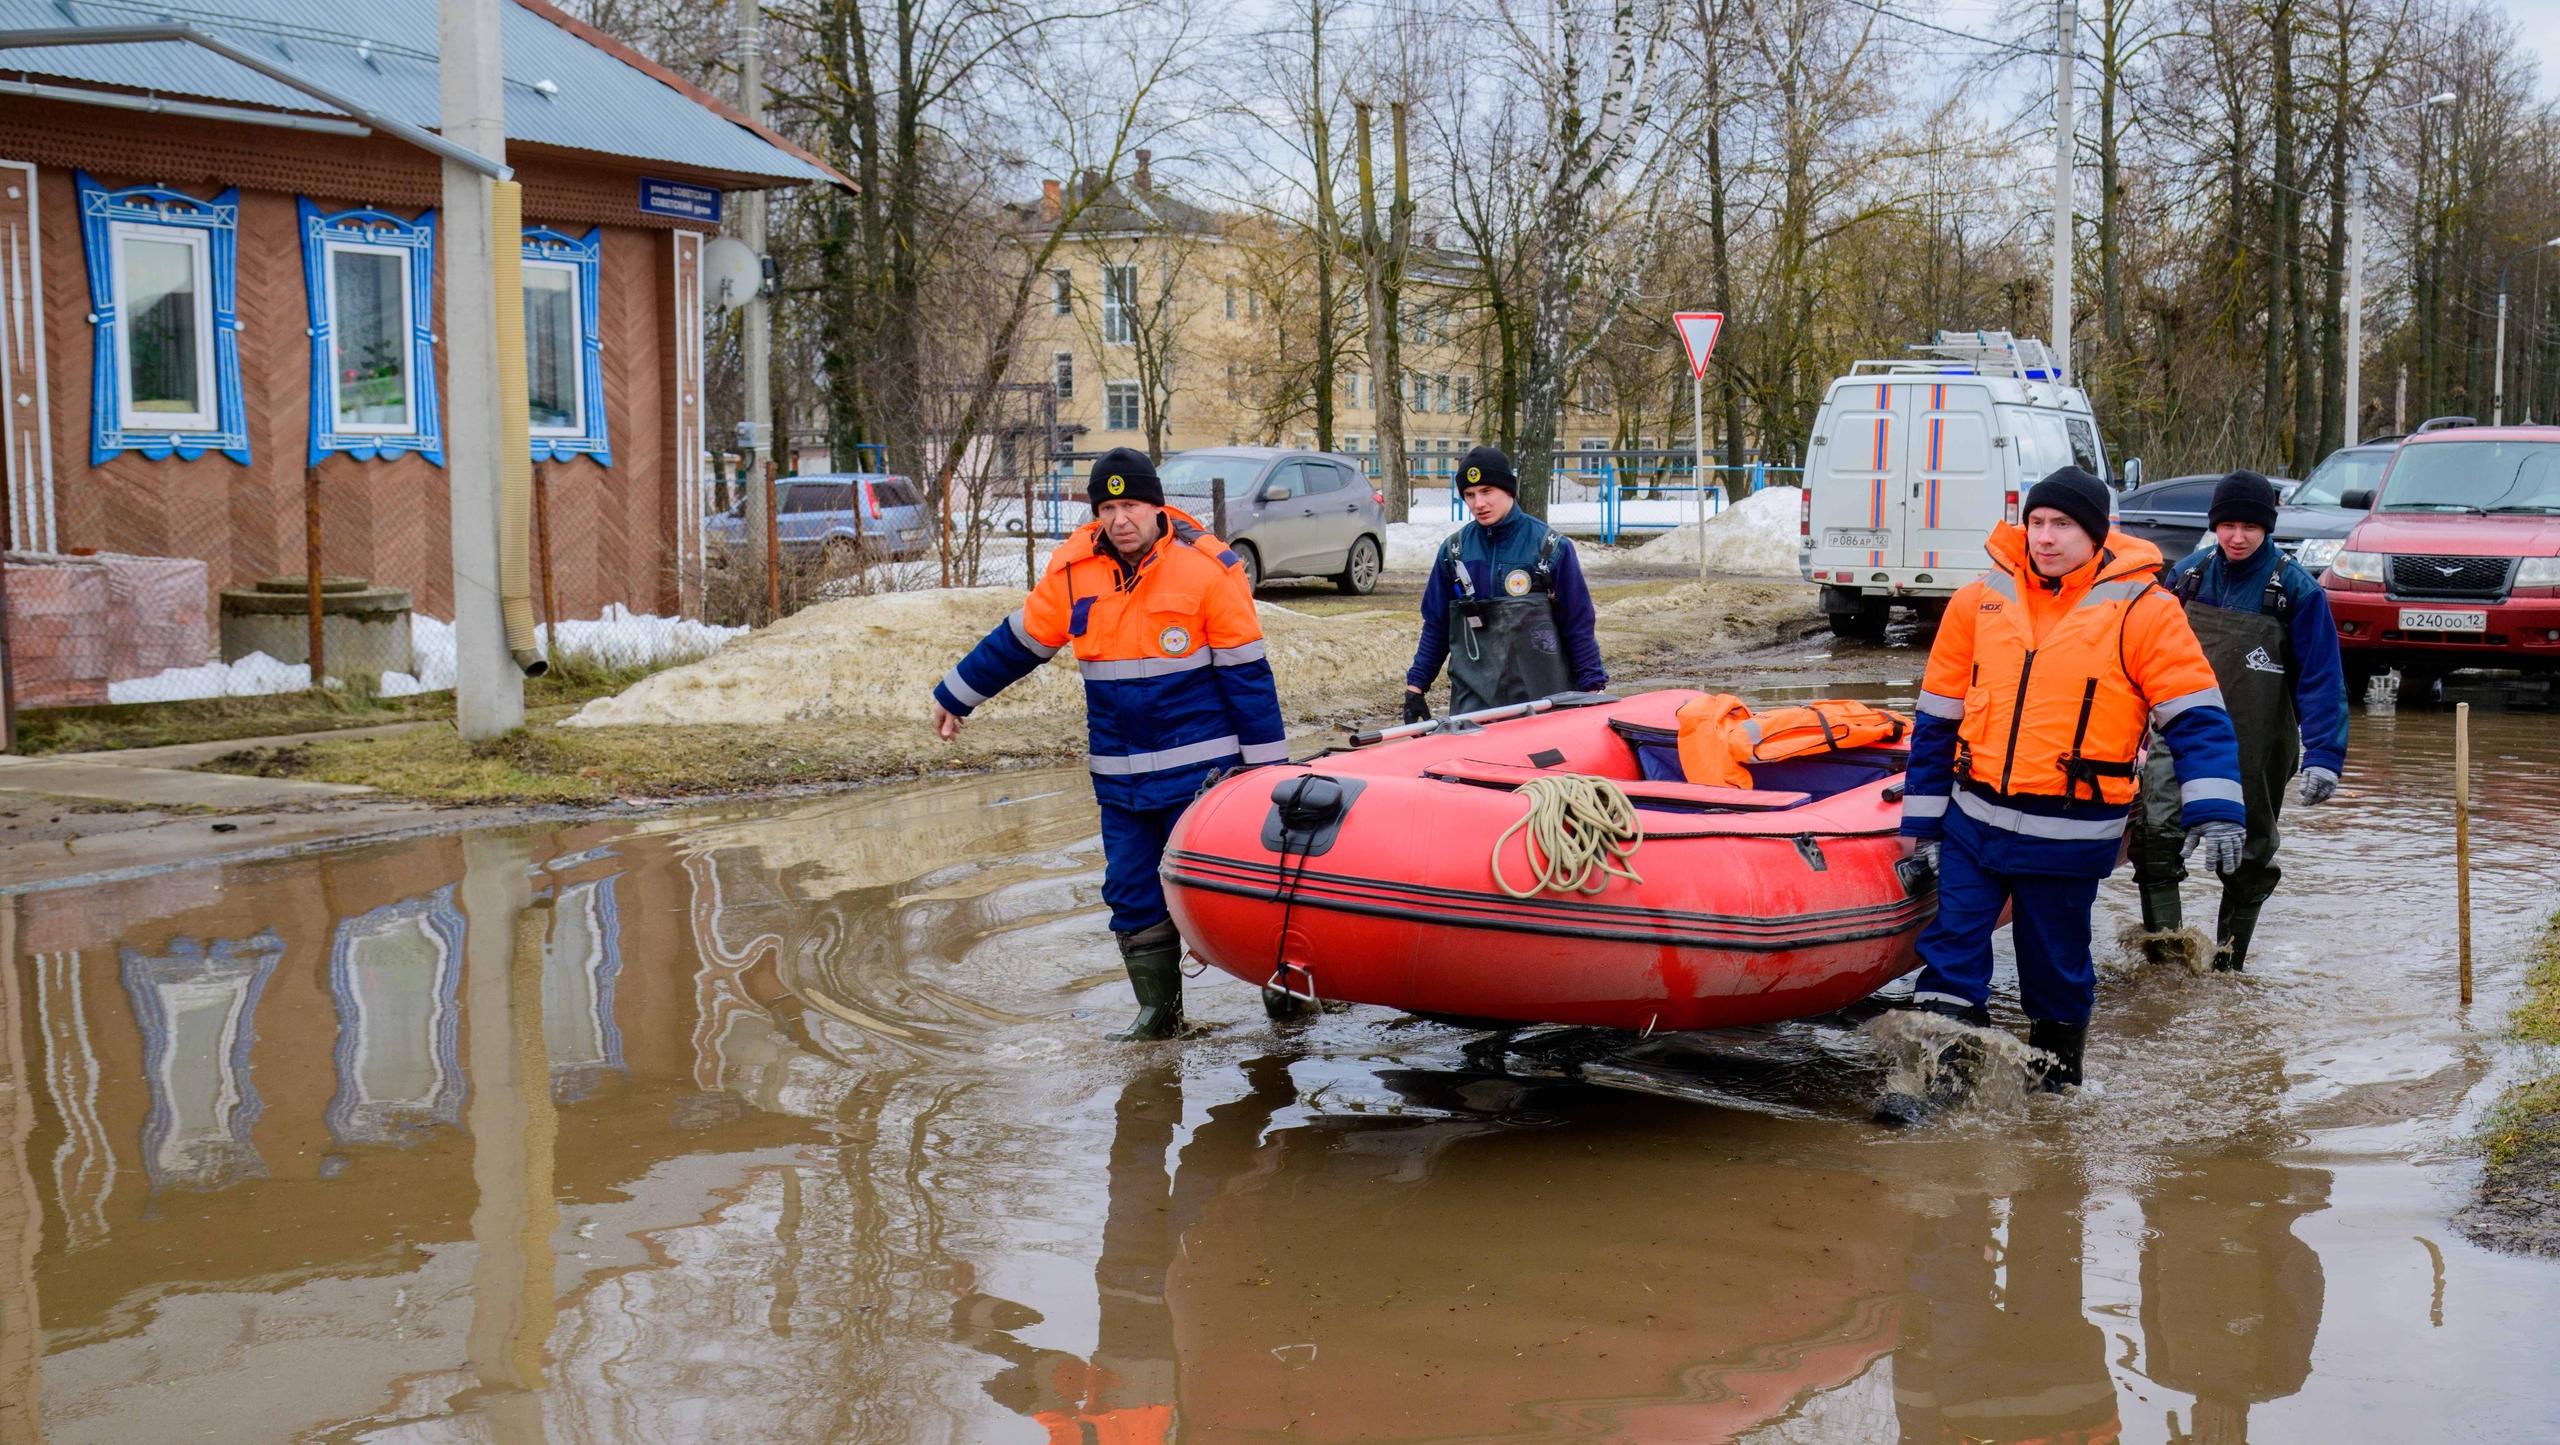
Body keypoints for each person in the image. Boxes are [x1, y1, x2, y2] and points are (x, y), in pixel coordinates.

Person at [1884, 466, 2245, 1121]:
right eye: (2037, 522)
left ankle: (2053, 1093)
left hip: (2070, 831)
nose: (2044, 538)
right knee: (1951, 953)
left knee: (2055, 970)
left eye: (2063, 526)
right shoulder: (1979, 600)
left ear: (2096, 533)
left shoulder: (2144, 609)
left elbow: (2196, 716)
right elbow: (1937, 721)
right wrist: (1922, 824)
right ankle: (1936, 1089)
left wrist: (2217, 808)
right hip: (1974, 824)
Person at [931, 447, 1286, 1040]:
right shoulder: (1074, 572)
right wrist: (957, 694)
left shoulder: (1207, 569)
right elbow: (1019, 643)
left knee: (1239, 891)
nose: (1120, 519)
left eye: (1132, 505)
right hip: (1121, 782)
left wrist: (1269, 776)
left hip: (1205, 779)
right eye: (1108, 507)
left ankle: (1285, 996)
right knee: (1130, 893)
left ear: (1156, 507)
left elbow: (1248, 678)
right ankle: (1160, 1015)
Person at [2128, 470, 2349, 972]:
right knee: (2156, 837)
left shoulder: (2297, 591)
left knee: (2249, 857)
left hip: (2261, 740)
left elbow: (2321, 680)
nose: (2237, 537)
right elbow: (2141, 661)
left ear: (2267, 528)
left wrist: (2325, 755)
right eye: (2227, 525)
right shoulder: (2186, 577)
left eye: (2250, 526)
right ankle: (2166, 966)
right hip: (2177, 735)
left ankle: (2229, 970)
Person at [1403, 445, 1606, 724]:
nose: (1479, 504)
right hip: (1473, 704)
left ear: (1507, 490)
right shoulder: (1454, 553)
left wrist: (1592, 687)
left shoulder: (1550, 549)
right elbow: (1437, 626)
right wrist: (1416, 687)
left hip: (1542, 700)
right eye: (1469, 495)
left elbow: (1578, 623)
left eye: (1487, 491)